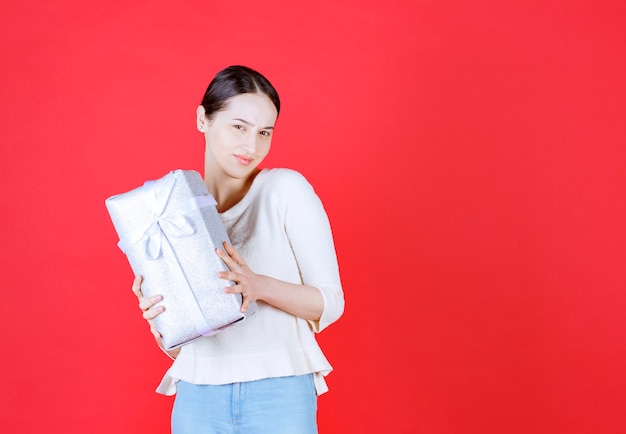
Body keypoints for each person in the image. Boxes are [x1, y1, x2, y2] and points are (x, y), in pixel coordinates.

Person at [131, 65, 345, 434]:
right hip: (198, 396)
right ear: (203, 119)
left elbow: (330, 302)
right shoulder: (173, 211)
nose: (252, 145)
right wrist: (162, 320)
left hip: (280, 392)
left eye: (264, 132)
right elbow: (184, 350)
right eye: (239, 127)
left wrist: (257, 285)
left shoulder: (285, 190)